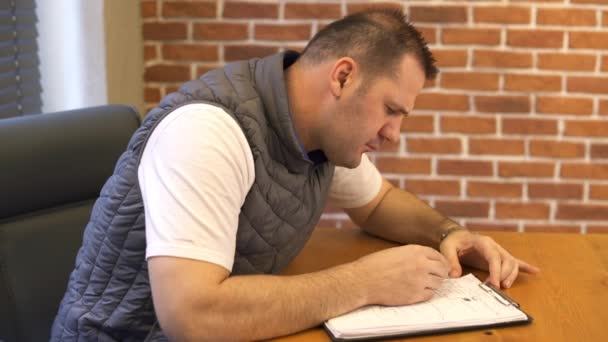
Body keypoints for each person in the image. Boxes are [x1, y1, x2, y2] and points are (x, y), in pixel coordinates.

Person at [51, 8, 539, 341]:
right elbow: (190, 315)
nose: (393, 134)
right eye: (391, 110)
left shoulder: (318, 136)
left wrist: (451, 232)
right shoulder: (209, 131)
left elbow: (378, 202)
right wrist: (364, 282)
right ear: (343, 77)